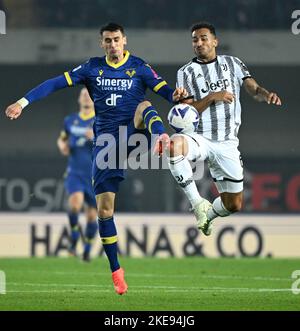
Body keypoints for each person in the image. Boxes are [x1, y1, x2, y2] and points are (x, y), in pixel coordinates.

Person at [5, 22, 187, 295]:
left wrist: (179, 96)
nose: (113, 44)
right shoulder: (91, 68)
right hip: (106, 146)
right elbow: (55, 83)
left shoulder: (139, 66)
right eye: (108, 41)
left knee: (144, 105)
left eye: (116, 39)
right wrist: (22, 102)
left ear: (125, 40)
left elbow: (166, 92)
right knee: (104, 211)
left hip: (136, 136)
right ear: (102, 44)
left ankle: (160, 136)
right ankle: (116, 271)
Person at [167, 22, 281, 236]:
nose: (199, 43)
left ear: (215, 41)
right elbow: (188, 112)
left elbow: (252, 87)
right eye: (195, 40)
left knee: (233, 204)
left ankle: (207, 216)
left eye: (203, 38)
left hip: (227, 142)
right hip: (199, 137)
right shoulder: (186, 72)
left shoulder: (233, 63)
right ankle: (197, 202)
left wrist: (265, 95)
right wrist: (212, 97)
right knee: (173, 145)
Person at [57, 87, 97, 262]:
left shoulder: (100, 121)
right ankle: (74, 235)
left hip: (95, 174)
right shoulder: (70, 120)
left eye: (89, 95)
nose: (87, 97)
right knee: (75, 204)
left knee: (91, 216)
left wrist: (96, 136)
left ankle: (87, 248)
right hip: (75, 172)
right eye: (83, 95)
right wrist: (62, 146)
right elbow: (62, 138)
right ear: (79, 100)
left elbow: (112, 143)